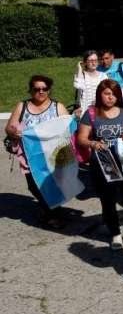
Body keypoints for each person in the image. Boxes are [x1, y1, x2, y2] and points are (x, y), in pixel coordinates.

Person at [75, 79, 123, 250]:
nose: (110, 97)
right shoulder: (91, 113)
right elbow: (81, 138)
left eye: (113, 94)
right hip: (103, 161)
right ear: (100, 95)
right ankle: (115, 234)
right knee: (109, 199)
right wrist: (93, 144)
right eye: (106, 94)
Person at [5, 75, 70, 228]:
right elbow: (8, 128)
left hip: (53, 155)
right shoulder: (22, 106)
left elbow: (68, 127)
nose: (41, 92)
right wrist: (13, 132)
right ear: (31, 90)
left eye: (44, 89)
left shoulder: (57, 107)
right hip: (30, 156)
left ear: (49, 90)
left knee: (53, 184)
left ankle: (52, 214)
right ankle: (50, 208)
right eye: (37, 89)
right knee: (34, 186)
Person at [74, 50, 108, 116]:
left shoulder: (103, 76)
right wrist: (79, 69)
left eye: (95, 60)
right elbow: (78, 86)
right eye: (90, 61)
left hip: (99, 109)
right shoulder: (81, 75)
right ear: (85, 62)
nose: (93, 63)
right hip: (84, 111)